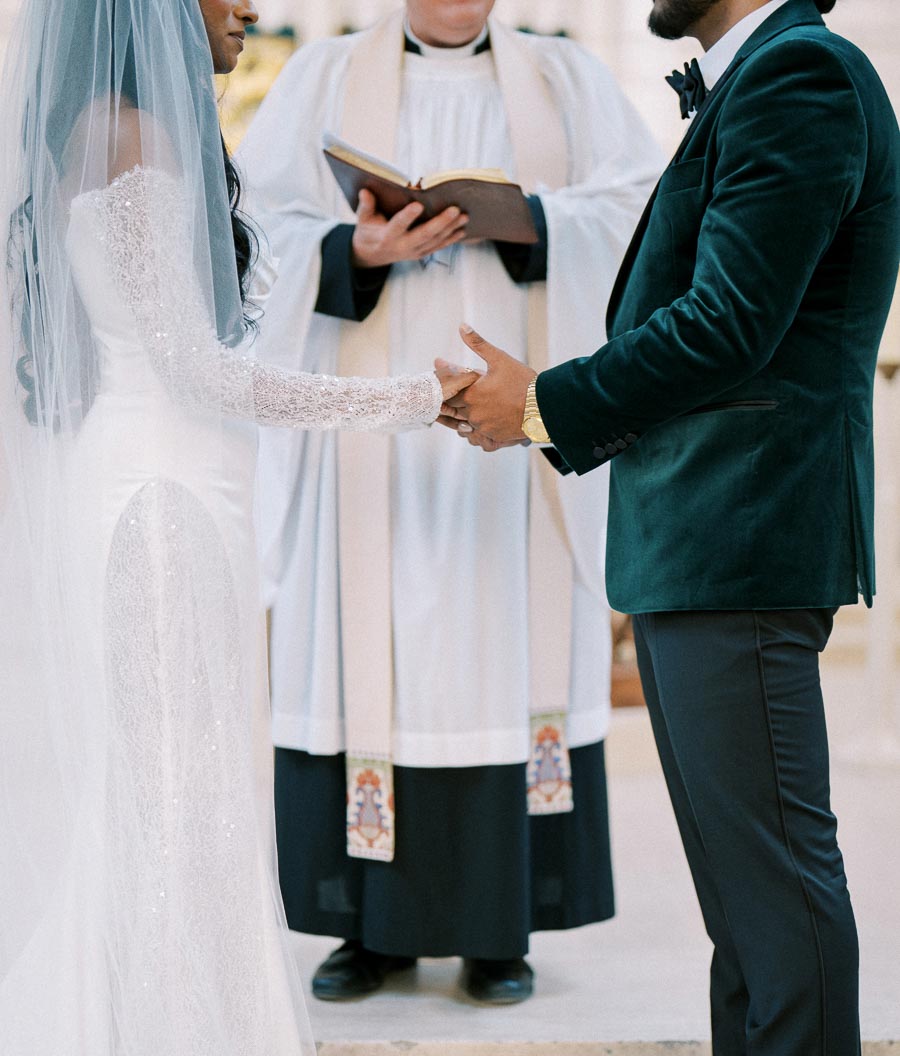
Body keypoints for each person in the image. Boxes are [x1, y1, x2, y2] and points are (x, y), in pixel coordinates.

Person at [0, 1, 477, 1056]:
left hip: (174, 501)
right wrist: (403, 403)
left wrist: (354, 255)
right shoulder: (128, 131)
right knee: (166, 832)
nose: (238, 14)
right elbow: (207, 373)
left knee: (192, 829)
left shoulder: (124, 134)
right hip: (159, 511)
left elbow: (203, 326)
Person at [442, 0, 900, 1056]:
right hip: (706, 530)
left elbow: (730, 326)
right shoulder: (767, 75)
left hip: (747, 528)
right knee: (733, 870)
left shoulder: (801, 74)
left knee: (778, 867)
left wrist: (539, 401)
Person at [240, 0, 662, 1005]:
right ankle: (366, 930)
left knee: (495, 667)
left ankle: (496, 928)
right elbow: (255, 231)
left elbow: (644, 213)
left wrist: (535, 222)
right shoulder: (325, 78)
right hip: (363, 455)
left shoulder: (565, 83)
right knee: (366, 664)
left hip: (513, 456)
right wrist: (357, 254)